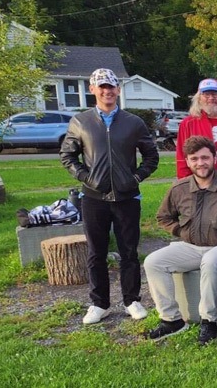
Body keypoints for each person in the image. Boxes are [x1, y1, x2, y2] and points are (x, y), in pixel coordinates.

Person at [60, 68, 159, 324]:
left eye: (111, 87)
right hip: (94, 198)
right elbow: (67, 156)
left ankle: (132, 300)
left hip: (127, 198)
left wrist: (135, 178)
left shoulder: (133, 123)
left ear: (118, 90)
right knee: (96, 252)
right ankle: (99, 303)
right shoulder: (80, 122)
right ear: (93, 89)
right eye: (101, 87)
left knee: (129, 251)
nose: (107, 91)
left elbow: (151, 157)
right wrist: (86, 177)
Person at [144, 136, 217, 344]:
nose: (200, 163)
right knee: (153, 262)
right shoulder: (179, 189)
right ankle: (171, 320)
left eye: (205, 157)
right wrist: (180, 231)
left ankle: (209, 321)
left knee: (211, 261)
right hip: (191, 246)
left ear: (215, 157)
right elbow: (163, 217)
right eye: (194, 159)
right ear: (187, 161)